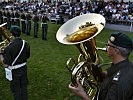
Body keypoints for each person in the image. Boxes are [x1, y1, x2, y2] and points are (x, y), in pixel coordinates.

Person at [69, 32, 133, 100]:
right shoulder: (126, 66)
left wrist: (82, 94)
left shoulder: (118, 84)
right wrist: (100, 73)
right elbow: (112, 76)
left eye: (108, 45)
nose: (106, 47)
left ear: (116, 51)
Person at [0, 25, 30, 100]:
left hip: (14, 72)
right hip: (23, 69)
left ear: (12, 34)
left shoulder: (8, 48)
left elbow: (5, 64)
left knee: (16, 90)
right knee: (24, 88)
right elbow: (27, 56)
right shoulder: (25, 43)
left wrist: (1, 54)